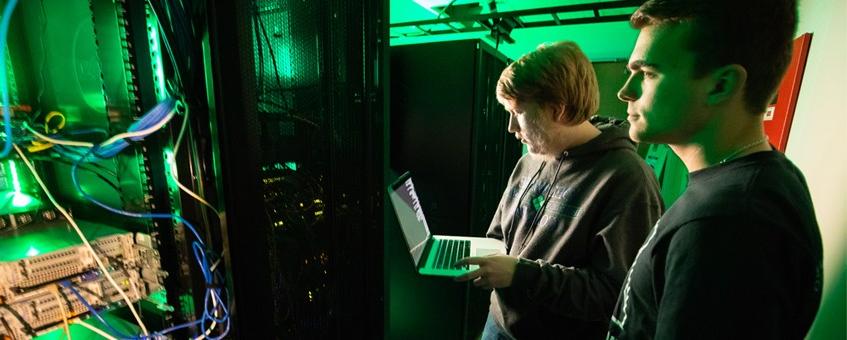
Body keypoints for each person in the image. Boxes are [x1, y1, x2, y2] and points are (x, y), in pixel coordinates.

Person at [607, 0, 823, 339]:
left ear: (721, 85)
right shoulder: (756, 182)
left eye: (648, 74)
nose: (626, 92)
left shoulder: (729, 225)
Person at [454, 41, 663, 339]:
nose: (511, 127)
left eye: (517, 112)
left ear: (559, 110)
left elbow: (616, 294)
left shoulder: (628, 179)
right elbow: (501, 235)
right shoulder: (528, 162)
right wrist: (486, 256)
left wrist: (519, 274)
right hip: (498, 324)